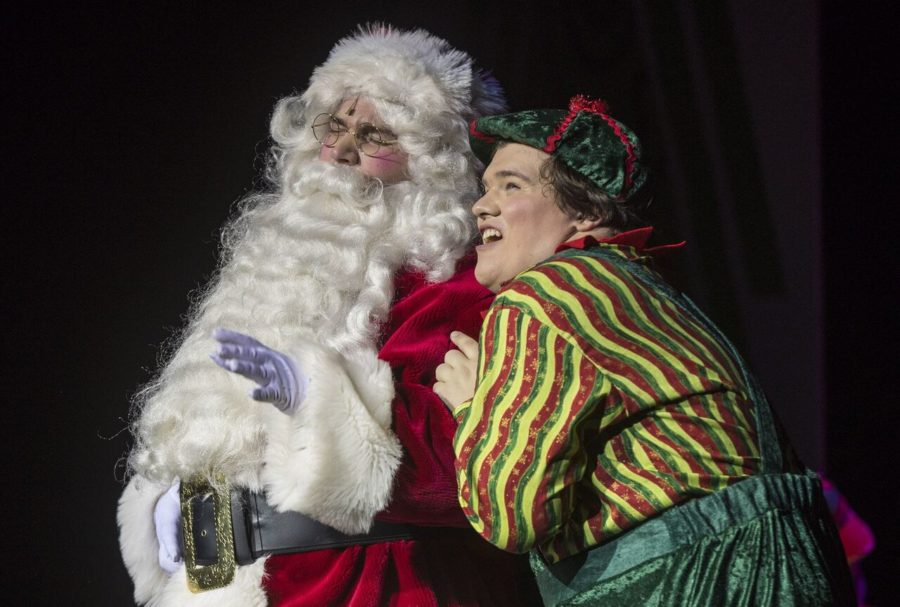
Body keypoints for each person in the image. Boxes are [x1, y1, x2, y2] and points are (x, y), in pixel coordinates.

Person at [117, 25, 541, 606]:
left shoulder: (462, 290)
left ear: (431, 166)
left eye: (374, 135)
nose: (339, 152)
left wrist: (312, 396)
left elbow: (467, 470)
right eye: (334, 126)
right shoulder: (266, 273)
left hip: (377, 588)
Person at [434, 95, 856, 605]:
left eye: (511, 186)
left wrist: (472, 408)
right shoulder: (647, 288)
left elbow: (510, 515)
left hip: (688, 581)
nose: (482, 205)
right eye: (486, 188)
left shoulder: (550, 293)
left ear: (586, 209)